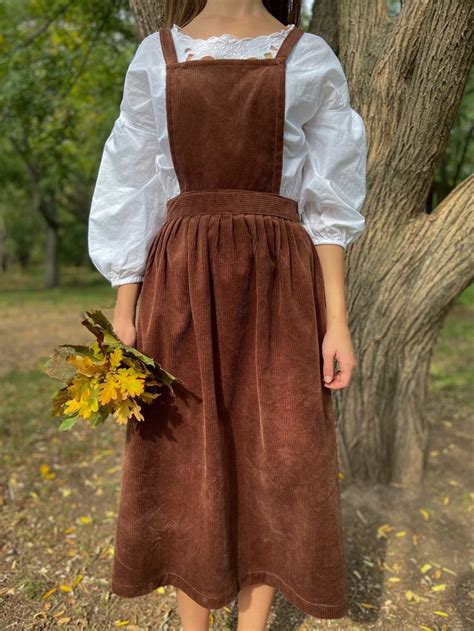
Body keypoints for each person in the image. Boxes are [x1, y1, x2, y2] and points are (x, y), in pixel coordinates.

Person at [88, 1, 367, 629]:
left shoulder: (310, 58)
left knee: (280, 456)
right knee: (186, 451)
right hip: (181, 281)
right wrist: (124, 307)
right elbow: (130, 183)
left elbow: (329, 201)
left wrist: (338, 321)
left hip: (280, 286)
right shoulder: (156, 58)